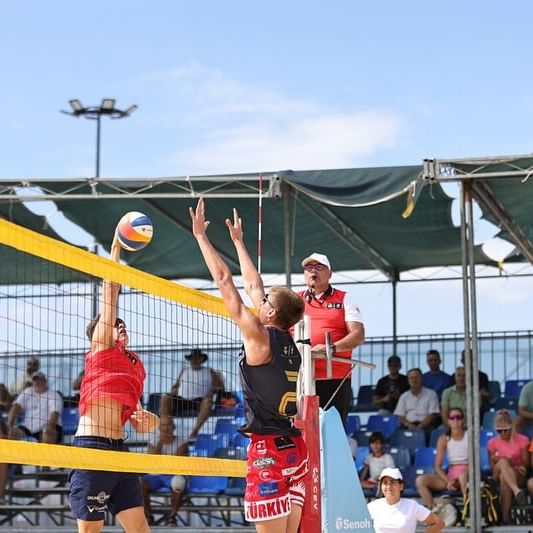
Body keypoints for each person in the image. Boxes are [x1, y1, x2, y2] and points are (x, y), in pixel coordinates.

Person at [190, 199, 308, 533]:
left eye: (266, 301)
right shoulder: (291, 340)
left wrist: (201, 237)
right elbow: (254, 286)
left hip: (269, 450)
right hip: (294, 450)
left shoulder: (258, 338)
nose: (261, 300)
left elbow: (226, 280)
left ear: (270, 313)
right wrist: (239, 242)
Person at [68, 235, 159, 533]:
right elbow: (110, 293)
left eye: (121, 322)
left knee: (139, 528)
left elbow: (142, 423)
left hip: (119, 449)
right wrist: (117, 246)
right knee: (90, 530)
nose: (119, 324)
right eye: (111, 323)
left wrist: (151, 421)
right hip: (92, 447)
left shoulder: (135, 366)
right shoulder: (101, 352)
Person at [298, 252, 365, 426]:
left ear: (330, 273)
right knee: (303, 430)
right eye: (309, 268)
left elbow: (358, 335)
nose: (313, 271)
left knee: (333, 430)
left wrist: (331, 348)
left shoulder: (344, 298)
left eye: (319, 267)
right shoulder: (295, 300)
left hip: (335, 376)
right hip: (301, 376)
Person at [159, 348, 224, 439]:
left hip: (199, 401)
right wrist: (173, 391)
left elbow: (220, 387)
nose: (195, 360)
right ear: (190, 360)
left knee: (208, 402)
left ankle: (194, 432)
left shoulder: (210, 372)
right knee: (165, 398)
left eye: (197, 358)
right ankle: (165, 430)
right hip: (182, 400)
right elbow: (175, 386)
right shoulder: (184, 371)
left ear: (201, 359)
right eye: (193, 358)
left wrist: (212, 391)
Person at [415, 407, 469, 508]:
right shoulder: (443, 439)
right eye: (452, 418)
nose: (456, 420)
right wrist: (448, 481)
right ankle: (433, 511)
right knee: (420, 480)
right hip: (451, 473)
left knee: (462, 477)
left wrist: (460, 476)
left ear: (463, 420)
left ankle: (469, 511)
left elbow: (474, 462)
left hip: (467, 472)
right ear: (448, 421)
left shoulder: (470, 436)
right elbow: (438, 466)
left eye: (458, 417)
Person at [367, 467, 445, 533]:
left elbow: (439, 523)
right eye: (385, 483)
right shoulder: (372, 506)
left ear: (401, 486)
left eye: (392, 482)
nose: (388, 486)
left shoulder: (412, 505)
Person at [142, 416, 187, 526]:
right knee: (139, 484)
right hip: (155, 476)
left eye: (168, 425)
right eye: (163, 425)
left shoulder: (182, 442)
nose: (166, 428)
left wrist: (161, 463)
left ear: (173, 427)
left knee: (179, 483)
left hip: (172, 475)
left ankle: (172, 517)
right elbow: (152, 461)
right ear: (159, 428)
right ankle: (148, 517)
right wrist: (160, 442)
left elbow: (177, 463)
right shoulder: (153, 441)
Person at [487, 409, 529, 523]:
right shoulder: (492, 443)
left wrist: (515, 463)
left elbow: (526, 463)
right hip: (497, 471)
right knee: (502, 463)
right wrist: (499, 460)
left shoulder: (522, 440)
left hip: (516, 473)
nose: (503, 433)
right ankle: (516, 491)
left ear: (511, 427)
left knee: (504, 478)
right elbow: (491, 467)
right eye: (499, 431)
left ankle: (505, 518)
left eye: (505, 430)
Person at [7, 371, 63, 444]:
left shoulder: (54, 395)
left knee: (48, 433)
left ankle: (47, 454)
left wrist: (48, 427)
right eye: (35, 380)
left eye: (40, 379)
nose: (37, 382)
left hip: (47, 426)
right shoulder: (27, 392)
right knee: (10, 432)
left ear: (45, 381)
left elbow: (55, 414)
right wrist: (10, 425)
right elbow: (16, 407)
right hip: (27, 428)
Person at [394, 368, 440, 438]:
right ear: (408, 381)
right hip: (408, 426)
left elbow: (432, 415)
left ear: (422, 378)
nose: (414, 380)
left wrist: (419, 427)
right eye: (411, 378)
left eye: (416, 377)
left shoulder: (431, 394)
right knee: (397, 434)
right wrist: (408, 424)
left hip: (426, 427)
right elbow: (400, 416)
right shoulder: (404, 396)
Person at [451, 349, 490, 415]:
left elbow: (485, 394)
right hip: (457, 407)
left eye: (471, 358)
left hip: (476, 407)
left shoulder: (482, 376)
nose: (469, 361)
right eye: (467, 358)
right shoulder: (454, 376)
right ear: (462, 361)